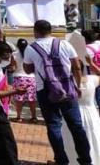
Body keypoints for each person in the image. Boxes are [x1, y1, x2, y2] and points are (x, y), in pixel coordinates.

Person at [23, 20, 92, 165]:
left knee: (54, 126)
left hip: (45, 90)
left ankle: (61, 160)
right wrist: (77, 86)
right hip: (68, 88)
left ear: (35, 31)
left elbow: (27, 70)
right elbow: (77, 67)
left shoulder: (31, 48)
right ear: (51, 30)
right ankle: (85, 160)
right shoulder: (64, 44)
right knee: (77, 126)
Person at [12, 38, 37, 123]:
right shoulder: (31, 54)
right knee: (31, 99)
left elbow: (13, 67)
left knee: (19, 99)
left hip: (18, 78)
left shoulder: (14, 54)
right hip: (31, 78)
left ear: (17, 46)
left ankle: (18, 117)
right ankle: (34, 117)